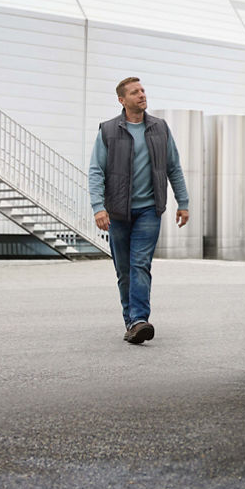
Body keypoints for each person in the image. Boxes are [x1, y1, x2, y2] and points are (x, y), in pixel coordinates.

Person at [88, 77, 190, 344]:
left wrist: (184, 202)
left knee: (140, 265)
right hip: (118, 212)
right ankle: (130, 320)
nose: (142, 95)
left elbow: (173, 167)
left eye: (143, 90)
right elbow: (96, 171)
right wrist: (99, 207)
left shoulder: (160, 128)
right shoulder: (108, 131)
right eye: (135, 92)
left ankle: (139, 320)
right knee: (124, 270)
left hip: (148, 210)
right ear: (122, 100)